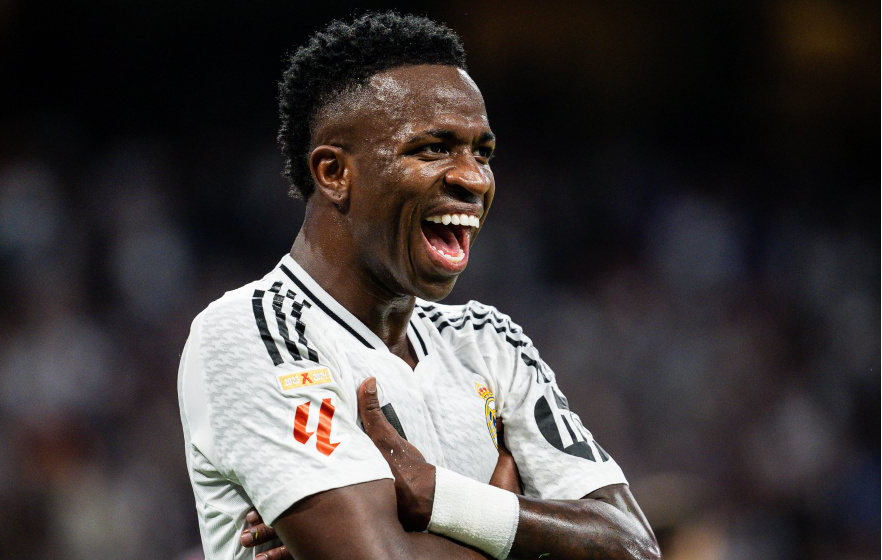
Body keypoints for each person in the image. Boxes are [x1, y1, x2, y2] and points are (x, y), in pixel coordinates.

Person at [177, 11, 661, 560]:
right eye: (433, 148)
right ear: (334, 173)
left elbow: (633, 545)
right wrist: (511, 516)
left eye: (483, 152)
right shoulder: (253, 330)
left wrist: (438, 497)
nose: (473, 178)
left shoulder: (490, 342)